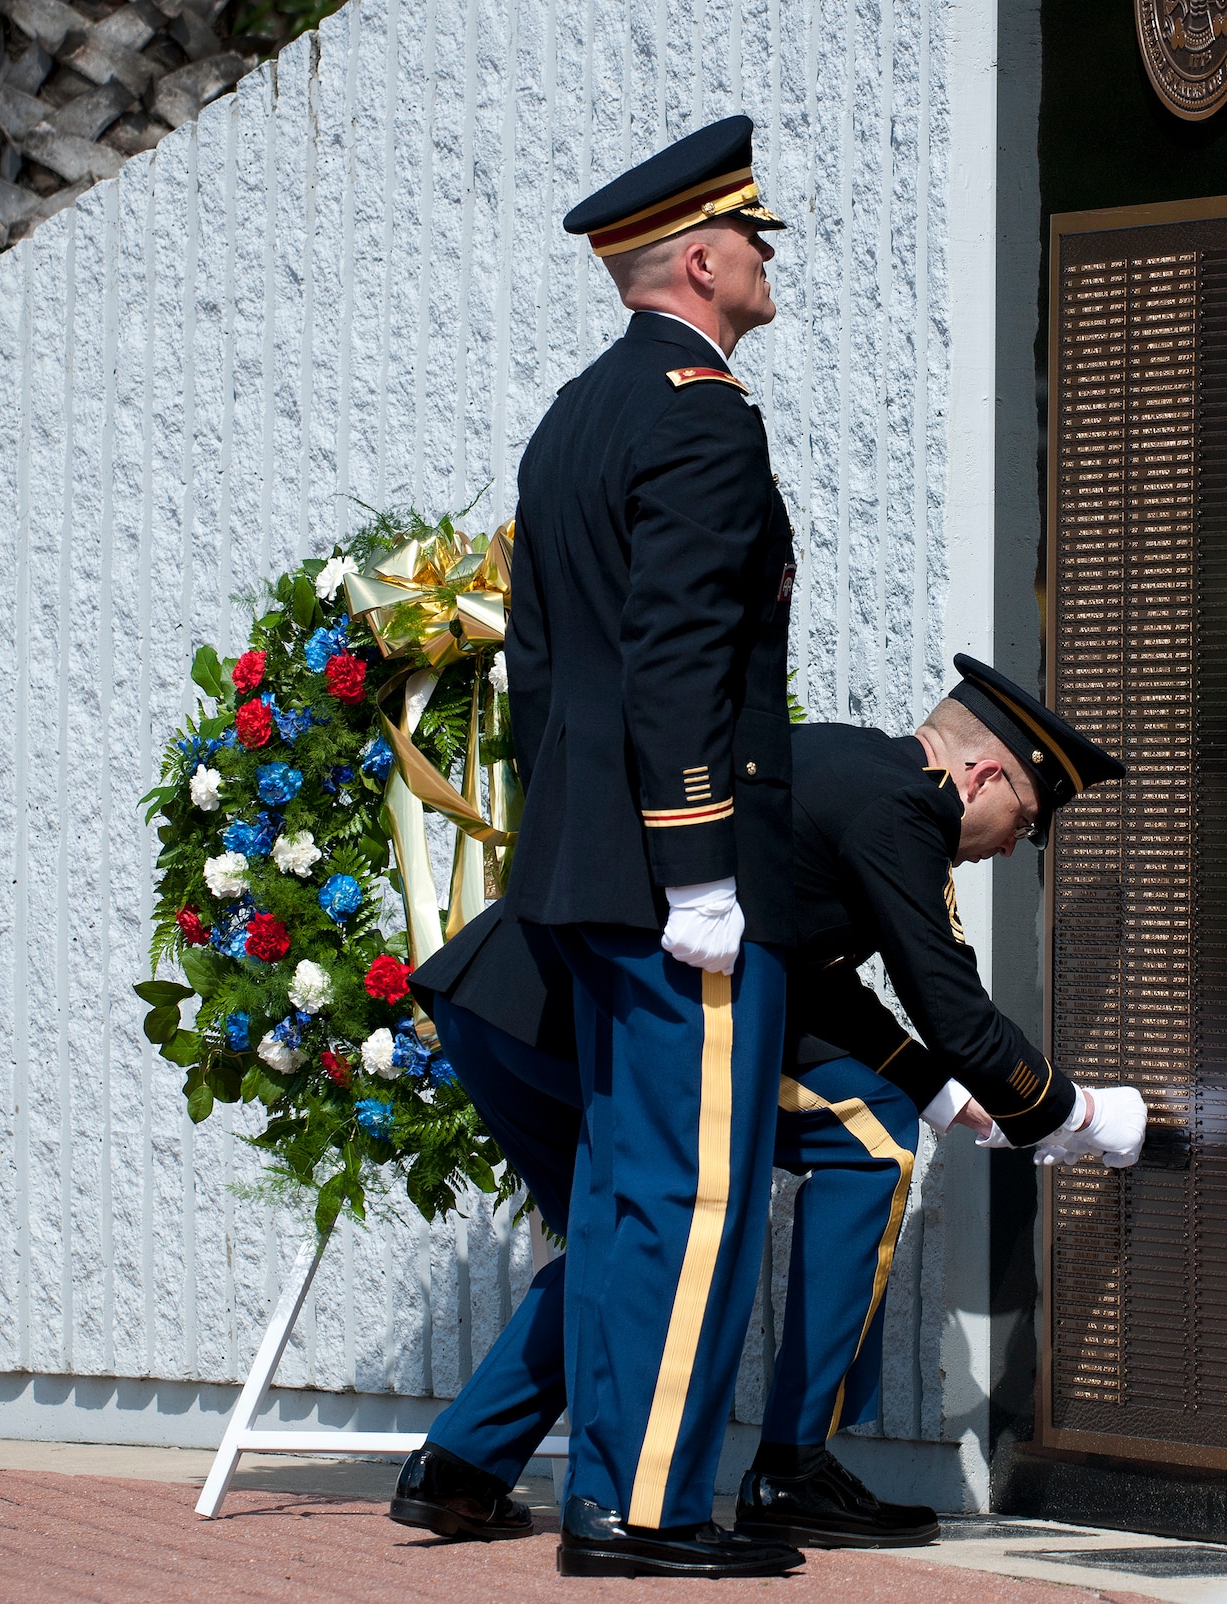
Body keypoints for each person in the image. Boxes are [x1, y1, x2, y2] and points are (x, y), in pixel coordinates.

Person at [389, 656, 1146, 1555]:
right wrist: (1075, 1117)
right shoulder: (905, 809)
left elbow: (813, 986)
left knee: (623, 1244)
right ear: (980, 775)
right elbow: (954, 1007)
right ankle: (791, 1466)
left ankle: (460, 1468)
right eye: (1022, 818)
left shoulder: (838, 768)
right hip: (604, 1023)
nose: (1014, 845)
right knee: (871, 1140)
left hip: (506, 1010)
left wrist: (946, 1097)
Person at [502, 113, 802, 1579]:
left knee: (628, 1192)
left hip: (584, 871)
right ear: (699, 257)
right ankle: (648, 1507)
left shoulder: (577, 411)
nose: (764, 257)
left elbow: (549, 681)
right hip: (673, 880)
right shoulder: (699, 409)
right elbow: (679, 655)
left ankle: (606, 1492)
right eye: (752, 236)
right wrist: (698, 871)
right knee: (690, 1198)